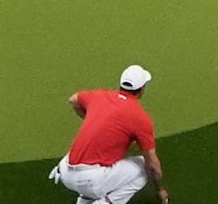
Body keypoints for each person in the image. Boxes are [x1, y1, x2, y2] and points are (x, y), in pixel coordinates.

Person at [50, 64, 169, 203]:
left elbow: (73, 99)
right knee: (143, 167)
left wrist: (93, 119)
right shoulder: (140, 117)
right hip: (89, 179)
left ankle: (85, 200)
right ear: (142, 89)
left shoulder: (100, 96)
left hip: (65, 171)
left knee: (103, 167)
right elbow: (153, 166)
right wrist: (160, 189)